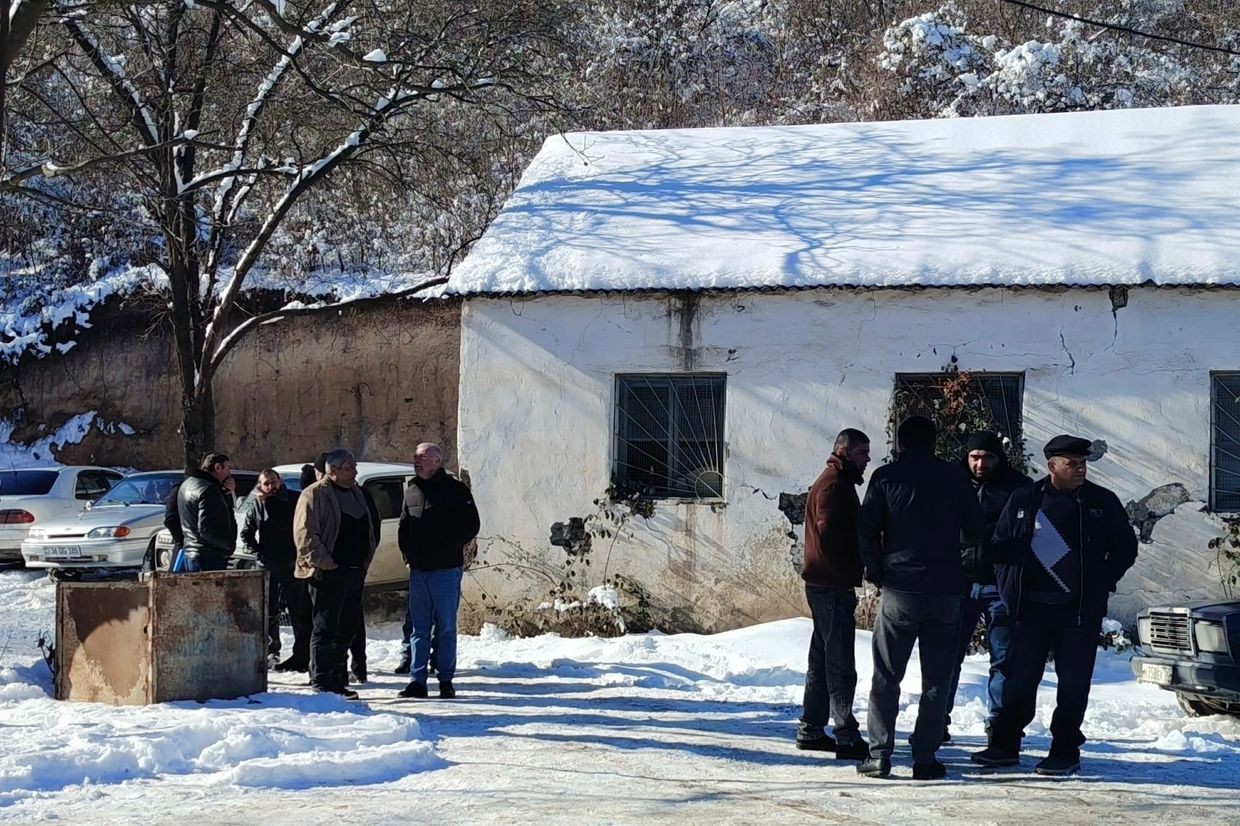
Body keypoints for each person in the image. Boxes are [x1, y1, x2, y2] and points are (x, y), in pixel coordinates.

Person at [972, 435, 1138, 776]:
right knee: (1019, 680)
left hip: (1077, 611)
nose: (1079, 469)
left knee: (1073, 684)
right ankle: (1004, 745)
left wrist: (1099, 581)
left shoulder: (1101, 501)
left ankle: (1065, 750)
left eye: (1082, 464)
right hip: (1030, 610)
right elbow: (1001, 546)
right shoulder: (1026, 498)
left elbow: (1125, 548)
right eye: (1071, 464)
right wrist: (1008, 589)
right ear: (1052, 466)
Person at [857, 416, 984, 780]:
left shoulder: (885, 477)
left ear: (900, 444)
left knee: (886, 674)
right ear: (934, 442)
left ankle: (880, 755)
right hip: (945, 590)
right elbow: (975, 530)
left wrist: (878, 572)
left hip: (900, 589)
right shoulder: (956, 478)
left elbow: (867, 531)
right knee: (937, 679)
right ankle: (925, 758)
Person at [942, 432, 1033, 741]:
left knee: (1004, 657)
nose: (980, 464)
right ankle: (937, 719)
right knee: (947, 655)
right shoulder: (951, 483)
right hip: (958, 582)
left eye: (988, 457)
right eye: (975, 457)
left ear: (999, 458)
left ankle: (1000, 723)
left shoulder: (1018, 488)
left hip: (1000, 583)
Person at [795, 428, 871, 761]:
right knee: (840, 663)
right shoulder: (833, 485)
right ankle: (846, 734)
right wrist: (847, 573)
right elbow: (826, 534)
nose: (867, 459)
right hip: (830, 586)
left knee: (821, 659)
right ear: (845, 451)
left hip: (824, 584)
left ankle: (811, 729)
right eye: (862, 453)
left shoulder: (835, 482)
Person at [293, 449, 381, 699]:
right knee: (325, 628)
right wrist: (326, 564)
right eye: (348, 467)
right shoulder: (315, 494)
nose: (354, 471)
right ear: (332, 471)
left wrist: (364, 563)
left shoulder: (358, 493)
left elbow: (370, 529)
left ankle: (338, 676)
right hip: (327, 573)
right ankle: (322, 680)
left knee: (348, 627)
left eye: (354, 466)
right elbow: (305, 535)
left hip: (354, 572)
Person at [397, 442, 479, 699]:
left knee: (445, 627)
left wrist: (446, 547)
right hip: (419, 571)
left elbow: (471, 525)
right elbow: (403, 527)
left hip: (445, 570)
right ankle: (417, 680)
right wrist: (408, 555)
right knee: (418, 629)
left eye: (421, 456)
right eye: (415, 455)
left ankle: (445, 679)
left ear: (436, 460)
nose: (415, 460)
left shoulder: (455, 490)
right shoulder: (412, 490)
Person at [239, 469, 310, 671]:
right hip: (267, 563)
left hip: (290, 562)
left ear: (279, 482)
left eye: (273, 482)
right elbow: (247, 531)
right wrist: (257, 550)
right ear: (260, 486)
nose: (270, 487)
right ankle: (272, 650)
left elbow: (293, 526)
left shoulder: (293, 500)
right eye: (266, 484)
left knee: (298, 610)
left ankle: (302, 654)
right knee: (268, 610)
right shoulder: (257, 504)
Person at [176, 452, 238, 572]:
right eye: (228, 468)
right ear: (218, 467)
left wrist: (225, 494)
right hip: (208, 557)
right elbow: (208, 529)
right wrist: (228, 546)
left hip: (191, 552)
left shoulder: (187, 484)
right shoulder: (209, 489)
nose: (229, 474)